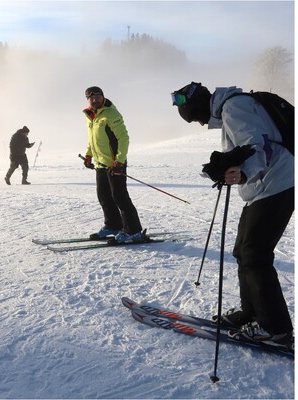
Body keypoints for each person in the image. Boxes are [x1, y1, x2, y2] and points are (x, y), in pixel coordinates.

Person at [171, 81, 294, 346]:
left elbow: (260, 144)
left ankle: (276, 329)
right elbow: (244, 149)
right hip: (264, 187)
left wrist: (243, 171)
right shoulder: (232, 107)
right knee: (243, 251)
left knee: (255, 254)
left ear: (202, 107)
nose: (201, 124)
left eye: (198, 119)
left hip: (278, 183)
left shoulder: (235, 107)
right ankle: (254, 313)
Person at [82, 86, 144, 243]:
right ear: (88, 100)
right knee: (103, 196)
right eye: (92, 98)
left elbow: (123, 138)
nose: (95, 100)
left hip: (115, 164)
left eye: (98, 96)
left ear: (103, 97)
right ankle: (113, 225)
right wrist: (89, 155)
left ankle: (133, 230)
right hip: (101, 164)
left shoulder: (111, 113)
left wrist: (119, 161)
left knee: (119, 196)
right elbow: (93, 139)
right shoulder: (91, 115)